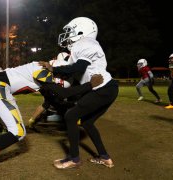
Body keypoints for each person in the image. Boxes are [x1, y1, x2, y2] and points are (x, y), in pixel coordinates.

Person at [0, 57, 103, 179]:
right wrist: (90, 85)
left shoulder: (40, 68)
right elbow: (62, 93)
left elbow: (56, 98)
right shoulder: (43, 71)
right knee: (18, 132)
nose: (58, 80)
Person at [39, 17, 118, 169]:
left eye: (70, 31)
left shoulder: (86, 42)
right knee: (87, 122)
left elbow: (79, 68)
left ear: (82, 31)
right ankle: (105, 157)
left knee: (70, 116)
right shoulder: (81, 47)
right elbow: (74, 73)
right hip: (106, 88)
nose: (67, 35)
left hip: (102, 88)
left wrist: (53, 69)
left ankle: (74, 159)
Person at [28, 52, 71, 128]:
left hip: (47, 86)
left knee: (47, 104)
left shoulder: (52, 62)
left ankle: (32, 119)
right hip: (58, 87)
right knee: (56, 104)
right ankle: (72, 120)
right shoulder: (67, 64)